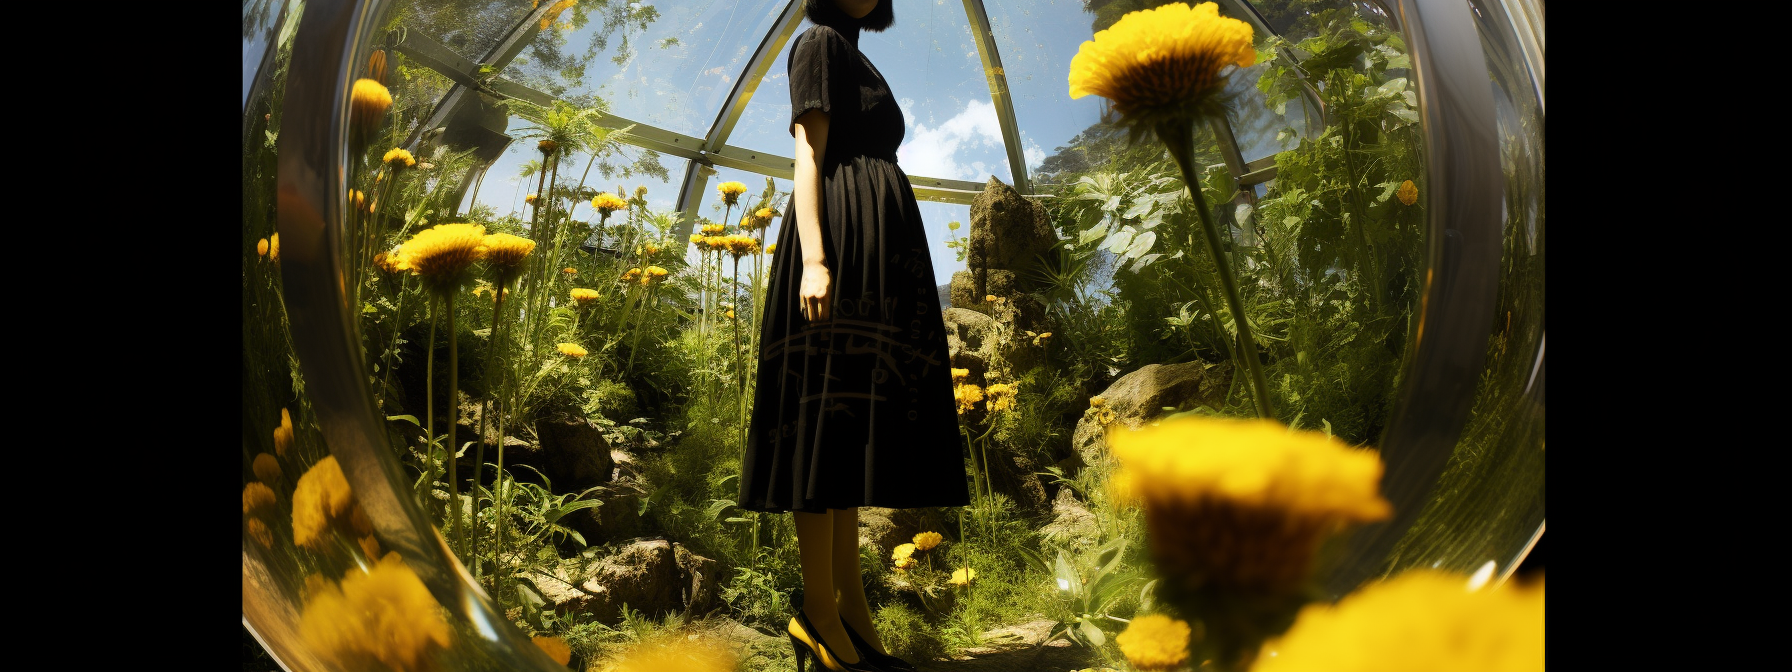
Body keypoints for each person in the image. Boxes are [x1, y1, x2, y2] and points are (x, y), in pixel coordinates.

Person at [736, 1, 969, 670]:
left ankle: (851, 615)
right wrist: (814, 257)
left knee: (841, 436)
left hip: (873, 260)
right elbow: (807, 152)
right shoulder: (816, 44)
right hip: (835, 244)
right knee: (820, 425)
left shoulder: (857, 56)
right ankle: (817, 614)